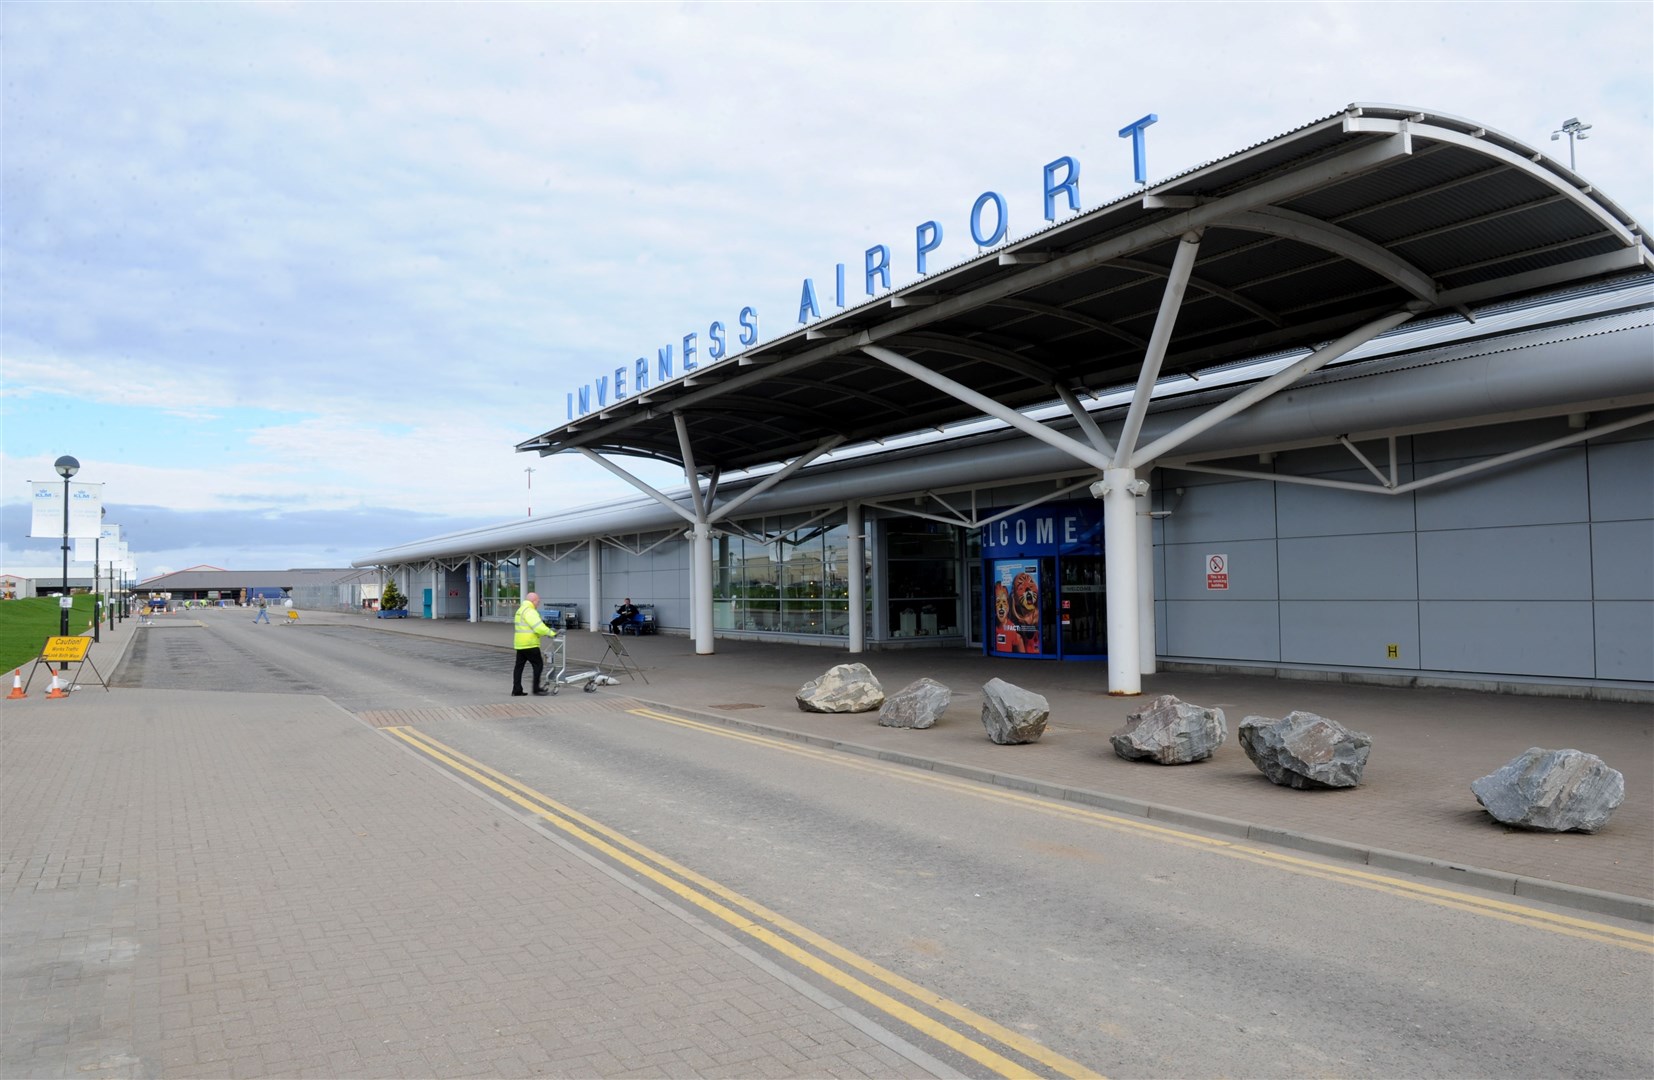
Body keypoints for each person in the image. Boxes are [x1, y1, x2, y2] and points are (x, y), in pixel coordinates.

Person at [512, 592, 556, 696]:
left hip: (520, 644)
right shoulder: (530, 611)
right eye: (538, 602)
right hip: (530, 644)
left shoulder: (520, 610)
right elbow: (538, 627)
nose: (538, 604)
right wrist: (552, 633)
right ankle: (536, 689)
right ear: (533, 601)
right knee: (538, 665)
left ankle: (516, 689)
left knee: (519, 667)